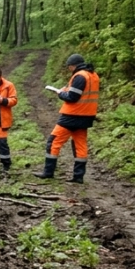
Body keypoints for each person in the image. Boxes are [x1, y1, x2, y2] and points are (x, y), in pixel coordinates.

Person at [36, 53, 99, 183]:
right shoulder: (93, 75)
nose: (69, 69)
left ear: (72, 66)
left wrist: (60, 93)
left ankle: (48, 172)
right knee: (79, 144)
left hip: (72, 116)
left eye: (69, 67)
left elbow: (72, 97)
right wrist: (65, 90)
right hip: (87, 116)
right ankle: (78, 176)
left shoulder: (80, 76)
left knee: (53, 142)